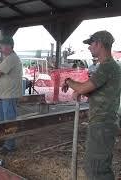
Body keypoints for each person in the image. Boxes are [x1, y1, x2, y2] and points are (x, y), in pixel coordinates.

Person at [62, 30, 121, 180]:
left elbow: (83, 87)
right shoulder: (109, 67)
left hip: (102, 124)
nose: (89, 48)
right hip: (104, 123)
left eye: (91, 44)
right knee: (97, 167)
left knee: (97, 170)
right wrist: (82, 91)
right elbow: (96, 91)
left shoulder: (107, 67)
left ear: (99, 44)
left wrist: (69, 81)